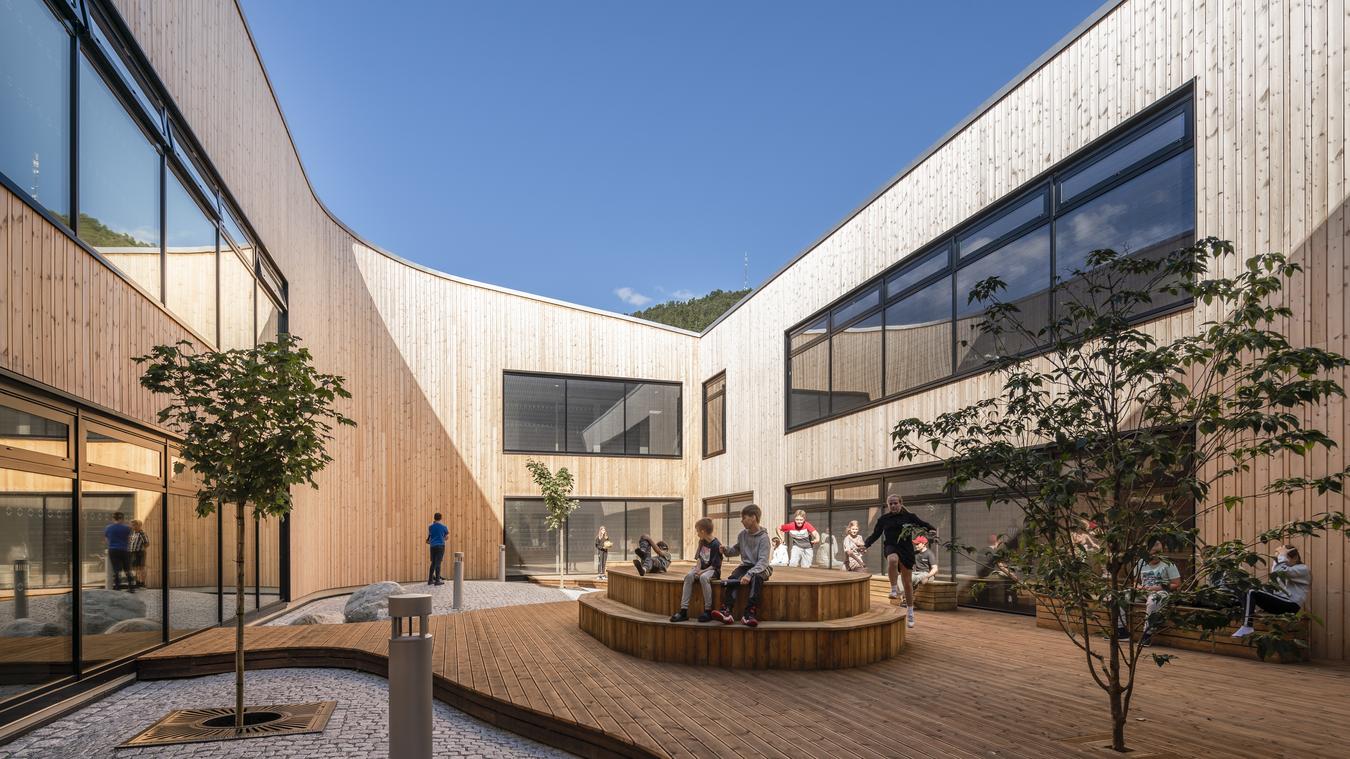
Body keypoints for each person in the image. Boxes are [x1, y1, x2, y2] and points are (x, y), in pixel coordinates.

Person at [863, 494, 937, 628]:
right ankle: (893, 589)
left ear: (901, 503)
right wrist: (866, 545)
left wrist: (932, 530)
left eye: (895, 503)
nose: (893, 506)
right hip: (891, 546)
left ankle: (910, 612)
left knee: (908, 584)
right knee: (892, 559)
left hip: (906, 549)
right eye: (890, 504)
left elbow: (923, 524)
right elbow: (875, 534)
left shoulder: (910, 517)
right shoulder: (883, 519)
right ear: (888, 505)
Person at [713, 503, 772, 627]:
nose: (741, 521)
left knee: (756, 578)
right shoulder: (742, 535)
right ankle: (727, 612)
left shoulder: (764, 538)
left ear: (753, 517)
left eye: (744, 518)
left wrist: (749, 574)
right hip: (746, 566)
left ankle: (749, 614)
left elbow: (763, 562)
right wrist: (726, 550)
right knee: (733, 577)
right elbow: (736, 550)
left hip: (762, 567)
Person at [1233, 546, 1311, 638]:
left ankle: (1247, 626)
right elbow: (1276, 574)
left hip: (1290, 605)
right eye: (1279, 559)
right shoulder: (1286, 569)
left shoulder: (1302, 569)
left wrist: (1282, 554)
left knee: (1252, 591)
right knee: (1244, 590)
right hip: (1281, 602)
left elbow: (1277, 571)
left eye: (1285, 558)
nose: (1282, 561)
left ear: (1295, 558)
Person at [1117, 544, 1181, 646]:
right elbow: (1134, 581)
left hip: (1161, 592)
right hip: (1143, 591)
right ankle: (1121, 631)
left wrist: (1158, 587)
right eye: (1153, 553)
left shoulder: (1168, 564)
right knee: (1118, 597)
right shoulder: (1141, 563)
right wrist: (1139, 587)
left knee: (1153, 601)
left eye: (1158, 553)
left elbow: (1176, 584)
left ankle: (1147, 634)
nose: (1155, 555)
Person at [671, 518, 722, 622]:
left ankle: (708, 611)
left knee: (703, 578)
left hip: (713, 570)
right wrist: (698, 569)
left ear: (703, 531)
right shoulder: (701, 541)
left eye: (697, 531)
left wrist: (702, 572)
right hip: (701, 568)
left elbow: (715, 565)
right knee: (689, 576)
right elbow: (699, 558)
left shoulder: (716, 544)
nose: (697, 534)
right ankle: (683, 611)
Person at [104, 511, 134, 593]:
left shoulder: (108, 528)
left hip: (113, 550)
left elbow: (107, 540)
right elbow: (129, 539)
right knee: (127, 569)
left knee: (116, 570)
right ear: (122, 519)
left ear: (113, 518)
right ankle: (131, 587)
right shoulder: (127, 528)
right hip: (124, 550)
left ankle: (117, 588)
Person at [426, 512, 449, 586]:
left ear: (434, 518)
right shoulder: (444, 527)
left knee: (433, 562)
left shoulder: (430, 527)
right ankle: (437, 581)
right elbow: (446, 537)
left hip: (432, 546)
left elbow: (430, 535)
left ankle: (430, 580)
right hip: (440, 546)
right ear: (441, 518)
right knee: (438, 563)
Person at [128, 519, 150, 589]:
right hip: (133, 552)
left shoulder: (141, 533)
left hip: (140, 553)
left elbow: (147, 543)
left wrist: (142, 549)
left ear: (139, 525)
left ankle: (143, 583)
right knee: (136, 568)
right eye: (132, 525)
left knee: (141, 568)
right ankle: (137, 582)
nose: (132, 526)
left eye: (134, 525)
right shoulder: (134, 533)